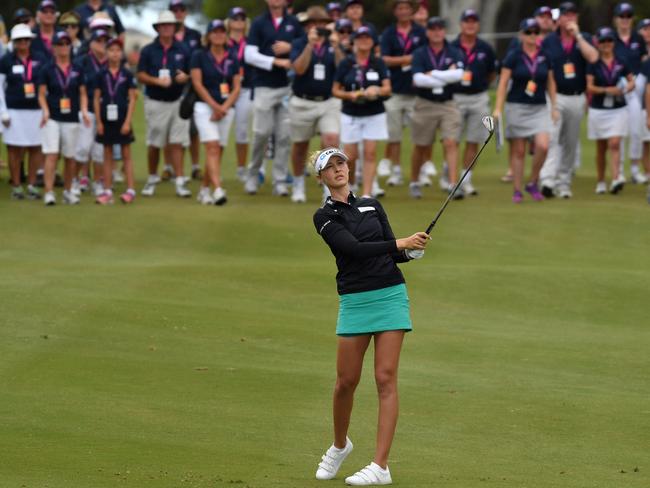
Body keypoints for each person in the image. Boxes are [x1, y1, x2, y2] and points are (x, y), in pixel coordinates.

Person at [311, 147, 429, 486]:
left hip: (390, 294)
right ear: (321, 177)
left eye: (341, 164)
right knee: (345, 382)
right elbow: (353, 250)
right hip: (355, 299)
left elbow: (392, 251)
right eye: (330, 167)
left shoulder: (372, 204)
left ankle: (380, 466)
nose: (338, 170)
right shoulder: (324, 216)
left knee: (385, 378)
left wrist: (410, 250)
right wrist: (399, 243)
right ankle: (339, 445)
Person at [493, 18, 558, 203]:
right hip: (516, 106)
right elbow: (503, 83)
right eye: (528, 32)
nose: (532, 35)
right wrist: (498, 108)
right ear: (522, 34)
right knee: (519, 151)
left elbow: (551, 82)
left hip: (539, 107)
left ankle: (532, 182)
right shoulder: (514, 55)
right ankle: (517, 190)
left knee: (543, 146)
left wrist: (555, 106)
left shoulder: (545, 55)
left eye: (536, 32)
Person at [538, 1, 598, 199]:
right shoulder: (550, 41)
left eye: (573, 15)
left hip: (577, 97)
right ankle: (547, 179)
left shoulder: (585, 38)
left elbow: (593, 58)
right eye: (566, 15)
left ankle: (564, 182)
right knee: (553, 138)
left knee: (570, 142)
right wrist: (553, 103)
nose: (569, 18)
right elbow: (548, 72)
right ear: (560, 18)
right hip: (556, 96)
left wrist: (578, 36)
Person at [243, 0, 302, 196]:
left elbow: (305, 47)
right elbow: (249, 55)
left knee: (284, 136)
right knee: (261, 133)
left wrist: (290, 47)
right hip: (264, 86)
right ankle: (252, 175)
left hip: (287, 87)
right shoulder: (259, 23)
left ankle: (280, 180)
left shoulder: (293, 22)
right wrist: (276, 61)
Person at [289, 6, 343, 203]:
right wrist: (310, 45)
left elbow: (344, 69)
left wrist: (337, 47)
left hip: (328, 101)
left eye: (322, 23)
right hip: (302, 101)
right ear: (307, 26)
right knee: (300, 146)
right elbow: (299, 68)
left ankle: (329, 190)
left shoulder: (333, 43)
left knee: (331, 140)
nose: (318, 27)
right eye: (314, 24)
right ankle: (297, 183)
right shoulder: (299, 43)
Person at [136, 10, 192, 198]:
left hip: (177, 101)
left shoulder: (183, 49)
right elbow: (141, 75)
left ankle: (179, 181)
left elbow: (190, 72)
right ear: (158, 28)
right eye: (164, 25)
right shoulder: (148, 50)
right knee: (155, 143)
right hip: (155, 101)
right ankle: (152, 178)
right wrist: (156, 81)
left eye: (170, 25)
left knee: (177, 143)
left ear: (174, 27)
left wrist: (185, 77)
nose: (167, 28)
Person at [332, 26, 391, 198]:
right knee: (350, 156)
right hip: (351, 112)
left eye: (367, 37)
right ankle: (350, 188)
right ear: (355, 41)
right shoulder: (346, 63)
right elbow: (335, 90)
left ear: (373, 42)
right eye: (360, 37)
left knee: (370, 152)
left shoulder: (378, 62)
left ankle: (366, 194)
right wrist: (350, 95)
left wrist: (377, 90)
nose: (364, 41)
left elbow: (387, 88)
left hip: (374, 113)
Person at [409, 17, 464, 199]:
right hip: (425, 103)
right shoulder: (420, 53)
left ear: (444, 31)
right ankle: (415, 181)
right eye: (433, 29)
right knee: (422, 146)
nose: (437, 32)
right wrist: (446, 75)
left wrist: (433, 74)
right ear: (428, 32)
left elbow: (459, 75)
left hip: (448, 103)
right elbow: (418, 80)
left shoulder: (454, 51)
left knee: (450, 142)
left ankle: (453, 184)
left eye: (440, 28)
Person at [190, 19, 241, 206]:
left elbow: (236, 87)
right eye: (215, 31)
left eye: (221, 31)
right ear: (209, 35)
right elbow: (197, 83)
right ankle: (218, 189)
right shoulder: (199, 55)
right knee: (211, 147)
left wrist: (224, 108)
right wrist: (215, 107)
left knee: (217, 151)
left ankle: (204, 189)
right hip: (204, 107)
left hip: (226, 108)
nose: (218, 35)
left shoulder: (232, 56)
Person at [38, 30, 90, 205]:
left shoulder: (77, 69)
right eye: (60, 44)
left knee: (70, 157)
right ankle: (49, 192)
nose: (64, 47)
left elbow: (83, 93)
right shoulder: (47, 68)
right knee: (52, 155)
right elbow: (42, 94)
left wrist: (83, 111)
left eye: (66, 44)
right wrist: (45, 111)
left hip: (71, 118)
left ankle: (68, 191)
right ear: (53, 47)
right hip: (52, 117)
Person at [378, 0, 426, 189]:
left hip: (417, 92)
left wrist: (406, 60)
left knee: (420, 136)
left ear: (412, 10)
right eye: (400, 8)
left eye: (407, 8)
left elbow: (425, 57)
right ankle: (396, 170)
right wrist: (408, 59)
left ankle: (419, 170)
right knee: (394, 135)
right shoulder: (389, 33)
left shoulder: (421, 32)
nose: (404, 11)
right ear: (395, 11)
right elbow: (384, 60)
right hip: (395, 91)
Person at [450, 8, 497, 197]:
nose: (470, 25)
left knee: (473, 139)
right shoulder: (452, 46)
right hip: (455, 97)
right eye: (467, 21)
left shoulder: (485, 48)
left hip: (478, 97)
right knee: (452, 140)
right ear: (461, 24)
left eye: (473, 21)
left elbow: (492, 72)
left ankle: (466, 179)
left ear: (477, 25)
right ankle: (451, 178)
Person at [0, 23, 47, 200]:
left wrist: (45, 109)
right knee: (14, 149)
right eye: (20, 40)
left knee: (35, 147)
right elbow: (0, 88)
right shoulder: (6, 60)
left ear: (30, 41)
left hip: (35, 110)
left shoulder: (40, 58)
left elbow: (45, 85)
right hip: (13, 111)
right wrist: (2, 111)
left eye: (26, 39)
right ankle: (17, 186)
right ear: (14, 41)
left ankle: (32, 185)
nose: (23, 43)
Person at [587, 26, 634, 195]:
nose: (606, 44)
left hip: (618, 108)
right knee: (601, 148)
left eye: (609, 40)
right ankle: (600, 181)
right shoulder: (594, 65)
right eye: (603, 41)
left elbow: (631, 82)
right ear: (597, 44)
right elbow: (589, 87)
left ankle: (615, 178)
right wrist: (607, 90)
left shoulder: (621, 61)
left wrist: (624, 89)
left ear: (613, 43)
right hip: (599, 109)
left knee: (614, 143)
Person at [94, 37, 137, 204]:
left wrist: (127, 122)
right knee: (107, 154)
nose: (114, 53)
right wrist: (99, 122)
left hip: (122, 117)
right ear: (106, 53)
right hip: (106, 118)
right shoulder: (101, 74)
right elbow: (96, 99)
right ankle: (107, 190)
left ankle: (131, 189)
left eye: (118, 50)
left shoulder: (126, 74)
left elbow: (132, 98)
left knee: (126, 154)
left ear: (121, 53)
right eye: (111, 50)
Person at [613, 2, 648, 185]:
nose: (625, 20)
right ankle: (617, 171)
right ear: (616, 19)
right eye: (622, 16)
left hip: (637, 85)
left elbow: (643, 60)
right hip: (616, 87)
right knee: (617, 132)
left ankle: (634, 169)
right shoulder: (610, 38)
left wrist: (638, 81)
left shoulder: (638, 38)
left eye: (628, 16)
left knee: (635, 130)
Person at [170, 0, 203, 181]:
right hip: (171, 88)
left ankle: (196, 166)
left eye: (181, 9)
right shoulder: (166, 34)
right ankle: (171, 167)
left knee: (193, 129)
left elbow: (201, 60)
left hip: (191, 86)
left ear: (186, 13)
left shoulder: (195, 35)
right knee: (173, 131)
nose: (178, 13)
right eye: (175, 10)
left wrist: (189, 76)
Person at [74, 28, 109, 195]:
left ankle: (97, 182)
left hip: (106, 111)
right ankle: (74, 179)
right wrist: (82, 109)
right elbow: (77, 88)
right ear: (92, 43)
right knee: (82, 148)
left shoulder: (111, 61)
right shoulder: (82, 61)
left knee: (99, 150)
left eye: (105, 41)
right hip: (87, 109)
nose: (103, 44)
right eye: (99, 41)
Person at [226, 7, 253, 183]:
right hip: (224, 90)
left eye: (241, 18)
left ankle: (242, 169)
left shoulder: (250, 42)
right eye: (234, 18)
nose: (238, 21)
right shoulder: (221, 40)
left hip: (246, 89)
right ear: (228, 22)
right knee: (220, 132)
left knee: (242, 131)